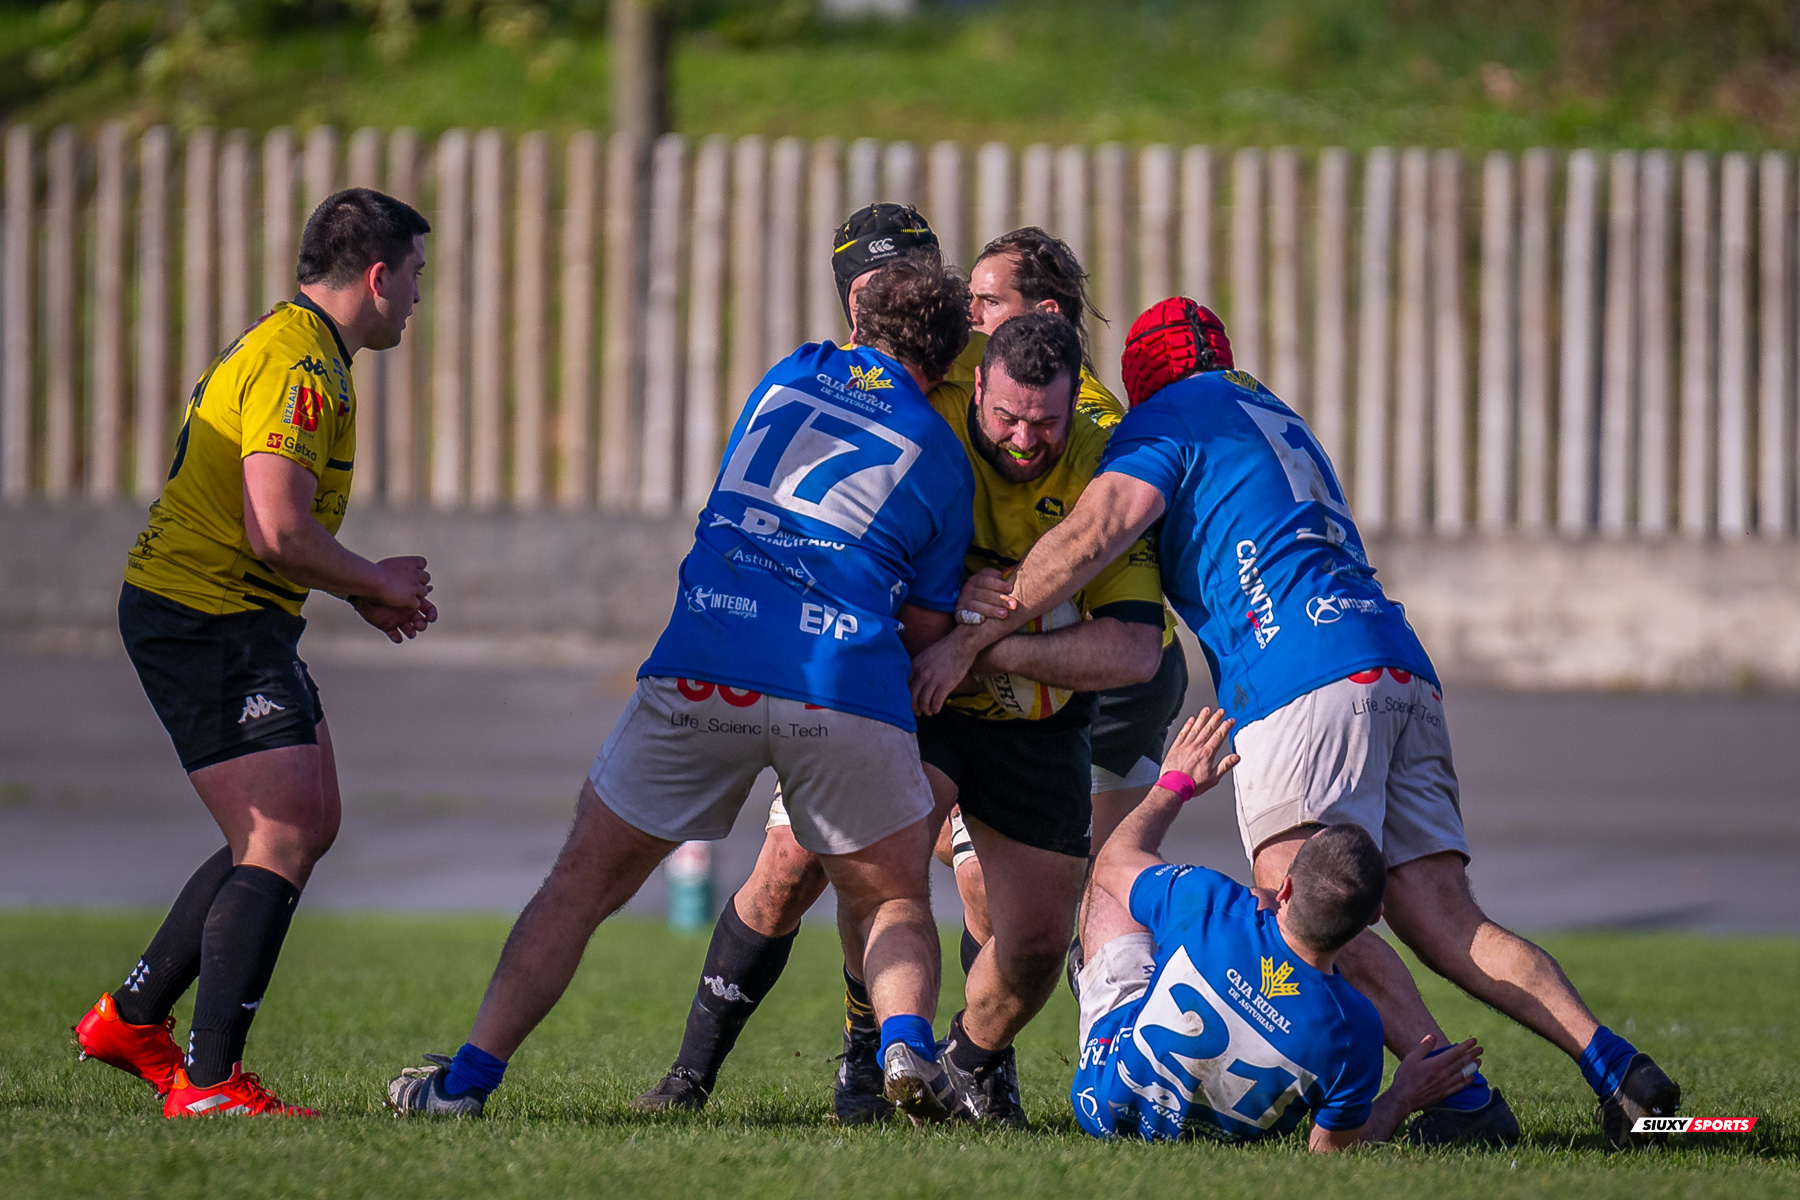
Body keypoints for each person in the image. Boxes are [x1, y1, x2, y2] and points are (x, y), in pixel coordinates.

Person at [915, 297, 1684, 1150]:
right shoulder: (1272, 413)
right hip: (1394, 661)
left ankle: (1465, 1107)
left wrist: (977, 633)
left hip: (1301, 678)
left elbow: (1095, 532)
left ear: (1140, 380)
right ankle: (1620, 1072)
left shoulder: (1169, 417)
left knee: (1302, 914)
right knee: (1444, 916)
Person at [386, 251, 980, 1124]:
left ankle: (465, 1083)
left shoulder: (793, 372)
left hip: (706, 663)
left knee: (579, 887)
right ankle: (903, 1049)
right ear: (950, 361)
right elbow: (925, 636)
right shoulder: (942, 456)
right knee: (890, 895)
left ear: (862, 324)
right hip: (841, 685)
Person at [73, 188, 435, 1118]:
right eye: (418, 278)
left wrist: (356, 587)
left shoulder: (300, 345)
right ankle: (208, 1084)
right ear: (379, 275)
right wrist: (371, 579)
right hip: (206, 613)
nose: (420, 300)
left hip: (237, 612)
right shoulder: (297, 364)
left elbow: (280, 535)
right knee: (280, 831)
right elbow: (275, 528)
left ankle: (134, 1017)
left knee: (303, 823)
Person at [1072, 708, 1484, 1148]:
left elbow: (1116, 860)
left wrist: (1175, 783)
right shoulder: (1356, 1029)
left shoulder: (1218, 905)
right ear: (1373, 918)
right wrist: (1403, 1096)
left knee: (1115, 880)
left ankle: (1108, 976)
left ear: (1284, 888)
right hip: (1217, 1142)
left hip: (1105, 1105)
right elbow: (1329, 1150)